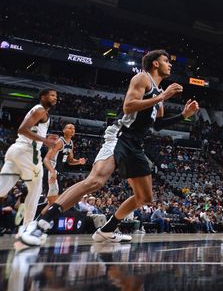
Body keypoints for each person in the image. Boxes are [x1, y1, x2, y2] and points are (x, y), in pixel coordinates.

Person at [20, 49, 197, 246]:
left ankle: (107, 230)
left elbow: (157, 125)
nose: (170, 64)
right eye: (166, 60)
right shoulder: (142, 78)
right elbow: (128, 106)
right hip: (120, 136)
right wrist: (162, 95)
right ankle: (40, 224)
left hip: (136, 144)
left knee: (144, 197)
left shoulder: (159, 96)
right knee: (95, 181)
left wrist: (183, 115)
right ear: (155, 64)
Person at [0, 89, 59, 242]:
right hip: (28, 153)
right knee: (35, 190)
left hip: (15, 152)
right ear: (43, 97)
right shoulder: (39, 110)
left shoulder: (41, 113)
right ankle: (27, 230)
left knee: (2, 190)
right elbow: (22, 129)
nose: (55, 98)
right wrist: (45, 141)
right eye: (52, 95)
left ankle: (26, 228)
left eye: (56, 96)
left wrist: (44, 138)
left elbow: (31, 130)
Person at [43, 123, 87, 206]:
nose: (72, 130)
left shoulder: (71, 143)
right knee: (52, 202)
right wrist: (52, 172)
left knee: (57, 201)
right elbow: (46, 159)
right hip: (51, 171)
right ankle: (43, 218)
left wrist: (78, 161)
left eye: (73, 128)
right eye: (70, 128)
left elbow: (70, 161)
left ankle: (46, 218)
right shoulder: (59, 142)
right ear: (64, 130)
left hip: (58, 172)